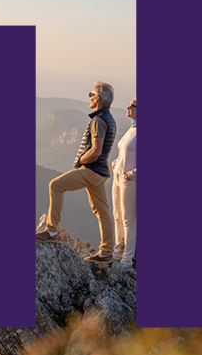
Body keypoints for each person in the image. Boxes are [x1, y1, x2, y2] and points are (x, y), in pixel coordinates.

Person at [36, 82, 117, 263]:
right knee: (102, 211)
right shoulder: (108, 118)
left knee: (55, 185)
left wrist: (80, 160)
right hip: (101, 173)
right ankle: (106, 252)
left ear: (97, 99)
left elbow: (96, 151)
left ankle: (51, 230)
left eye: (91, 94)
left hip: (91, 170)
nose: (89, 97)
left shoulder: (98, 120)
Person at [111, 98, 137, 263]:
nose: (128, 107)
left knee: (128, 220)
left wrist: (134, 173)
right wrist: (116, 162)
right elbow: (126, 153)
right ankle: (117, 254)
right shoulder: (132, 129)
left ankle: (127, 261)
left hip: (130, 181)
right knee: (117, 216)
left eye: (132, 105)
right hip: (118, 177)